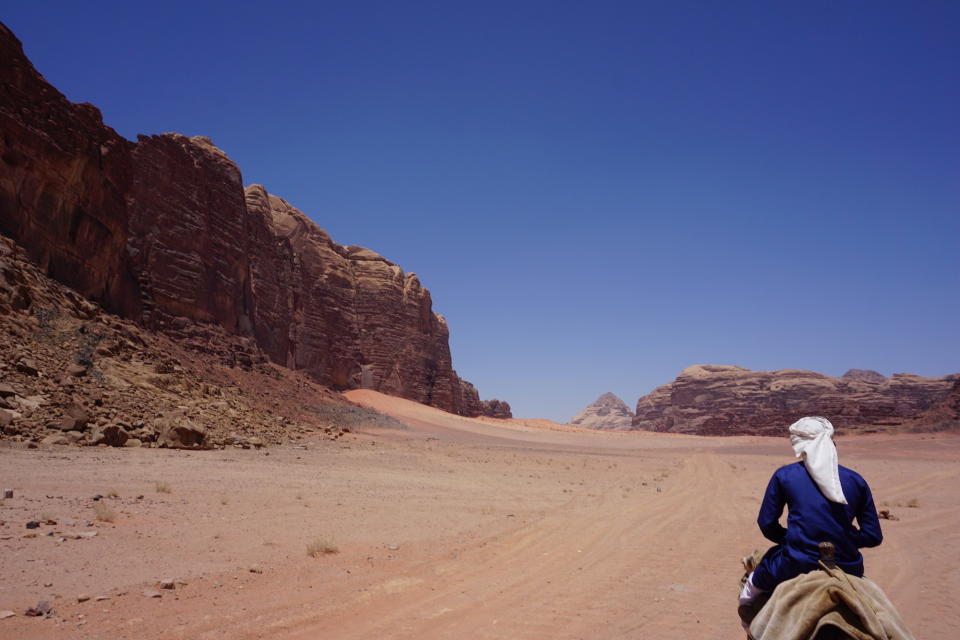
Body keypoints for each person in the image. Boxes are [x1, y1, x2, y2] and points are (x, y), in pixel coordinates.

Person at [739, 416, 883, 611]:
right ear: (832, 443)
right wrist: (844, 539)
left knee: (748, 595)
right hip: (848, 566)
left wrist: (795, 538)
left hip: (793, 563)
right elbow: (873, 536)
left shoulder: (785, 476)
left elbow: (767, 523)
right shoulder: (856, 480)